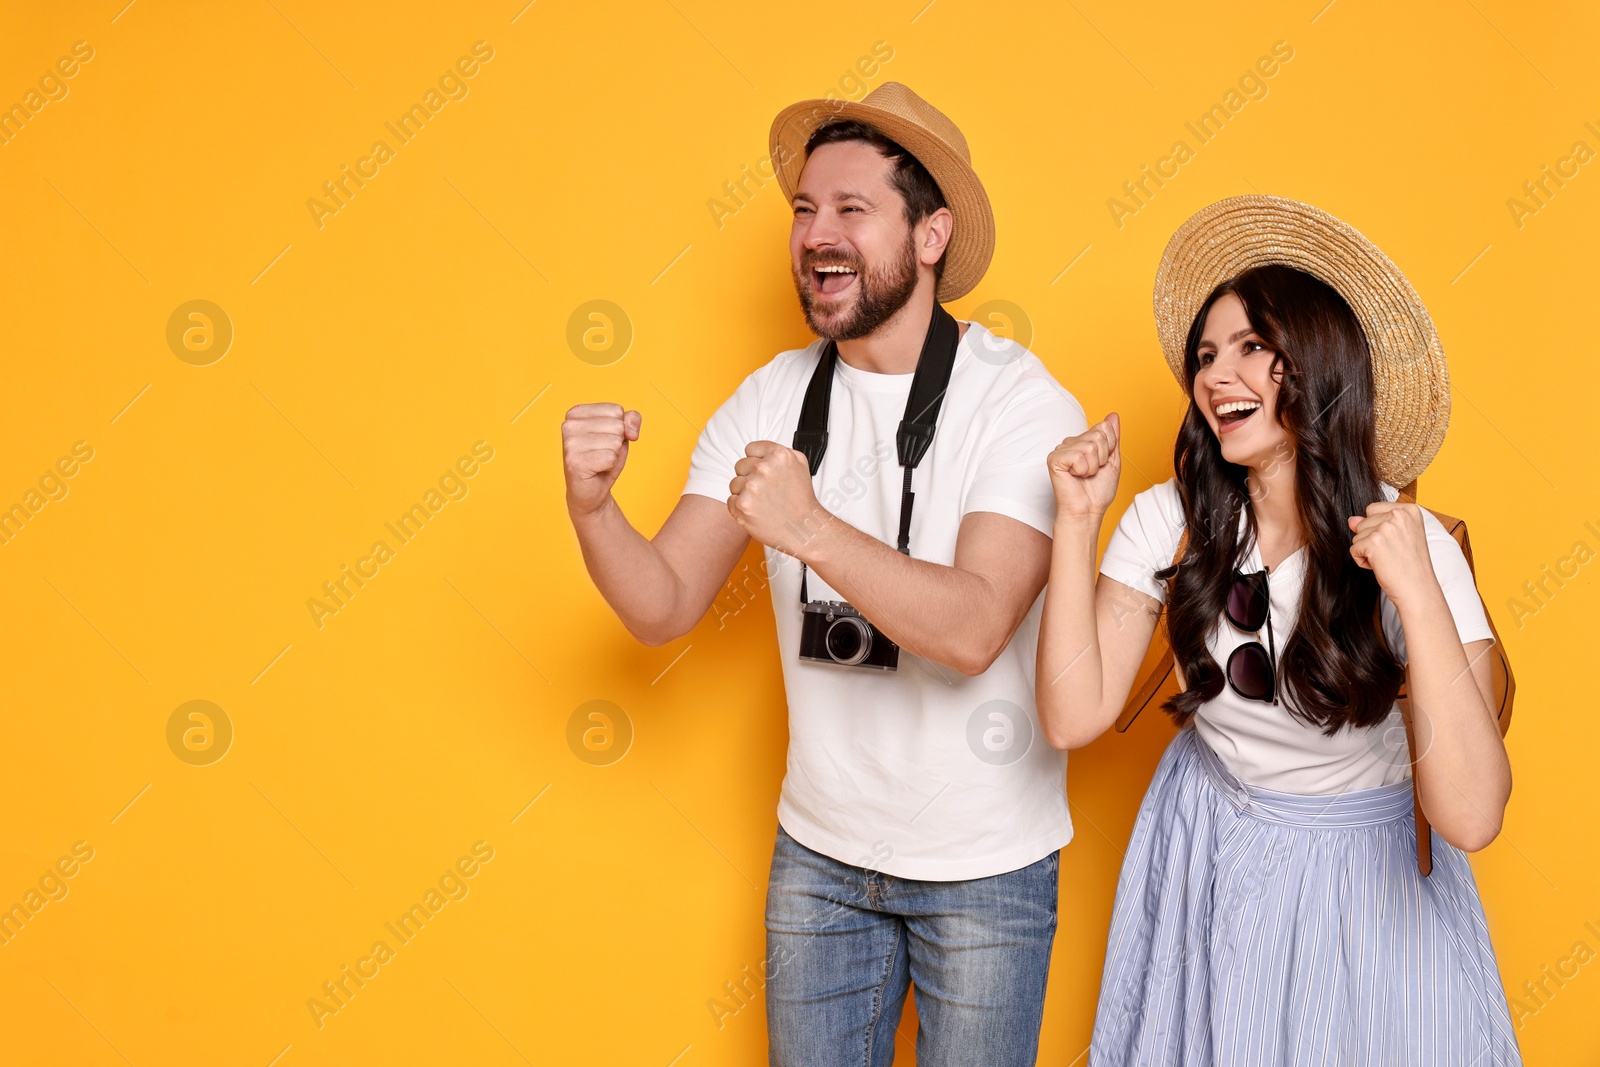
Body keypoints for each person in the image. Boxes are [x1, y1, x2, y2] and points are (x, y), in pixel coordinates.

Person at [560, 83, 1086, 1065]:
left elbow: (974, 630)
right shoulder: (771, 395)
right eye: (804, 210)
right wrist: (594, 508)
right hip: (820, 859)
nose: (815, 234)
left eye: (851, 209)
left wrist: (809, 527)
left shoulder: (1020, 402)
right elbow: (662, 601)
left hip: (982, 867)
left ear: (930, 236)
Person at [1036, 195, 1521, 1065]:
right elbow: (1072, 716)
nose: (1219, 374)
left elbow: (1473, 813)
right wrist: (1076, 520)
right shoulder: (1169, 521)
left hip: (1362, 873)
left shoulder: (1414, 546)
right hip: (1211, 847)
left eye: (1254, 348)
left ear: (1317, 363)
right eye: (1208, 355)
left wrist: (1414, 588)